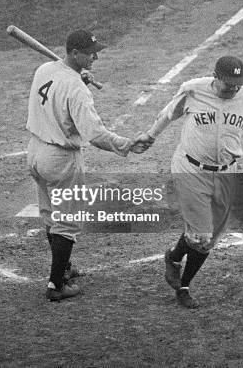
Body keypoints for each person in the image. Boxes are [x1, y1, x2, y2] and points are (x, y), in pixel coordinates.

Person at [138, 56, 243, 308]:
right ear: (216, 76)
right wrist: (150, 136)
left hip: (226, 172)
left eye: (238, 83)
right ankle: (180, 277)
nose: (234, 88)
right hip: (190, 169)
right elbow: (168, 114)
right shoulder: (193, 89)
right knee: (200, 233)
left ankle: (178, 268)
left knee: (209, 240)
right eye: (229, 83)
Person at [26, 29, 148, 302]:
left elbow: (60, 85)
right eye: (90, 53)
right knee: (66, 222)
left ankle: (64, 268)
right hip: (60, 160)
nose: (95, 56)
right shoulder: (78, 90)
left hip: (34, 153)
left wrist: (76, 76)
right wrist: (126, 145)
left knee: (49, 214)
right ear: (74, 53)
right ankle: (56, 285)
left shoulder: (44, 69)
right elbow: (95, 135)